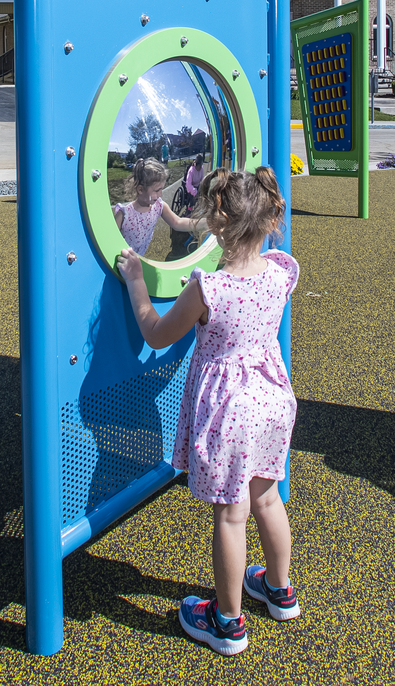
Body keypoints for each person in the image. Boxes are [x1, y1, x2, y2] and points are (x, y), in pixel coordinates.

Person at [118, 167, 300, 656]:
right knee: (267, 498)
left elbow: (156, 333)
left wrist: (136, 279)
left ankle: (228, 621)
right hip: (273, 400)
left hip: (230, 410)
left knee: (231, 514)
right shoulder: (282, 270)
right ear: (269, 218)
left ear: (216, 220)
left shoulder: (208, 289)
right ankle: (280, 591)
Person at [113, 158, 204, 256]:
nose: (161, 194)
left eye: (162, 189)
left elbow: (177, 222)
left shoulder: (158, 206)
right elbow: (109, 241)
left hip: (140, 260)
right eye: (157, 190)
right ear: (140, 189)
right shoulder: (124, 215)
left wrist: (206, 223)